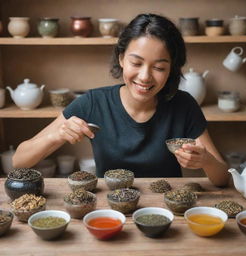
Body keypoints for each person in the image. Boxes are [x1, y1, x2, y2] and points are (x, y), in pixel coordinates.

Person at [13, 13, 229, 186]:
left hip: (167, 210)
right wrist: (56, 136)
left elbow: (222, 178)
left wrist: (205, 161)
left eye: (159, 67)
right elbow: (19, 162)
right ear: (121, 59)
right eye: (136, 63)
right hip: (110, 210)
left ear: (171, 69)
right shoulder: (93, 102)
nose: (145, 76)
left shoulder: (183, 104)